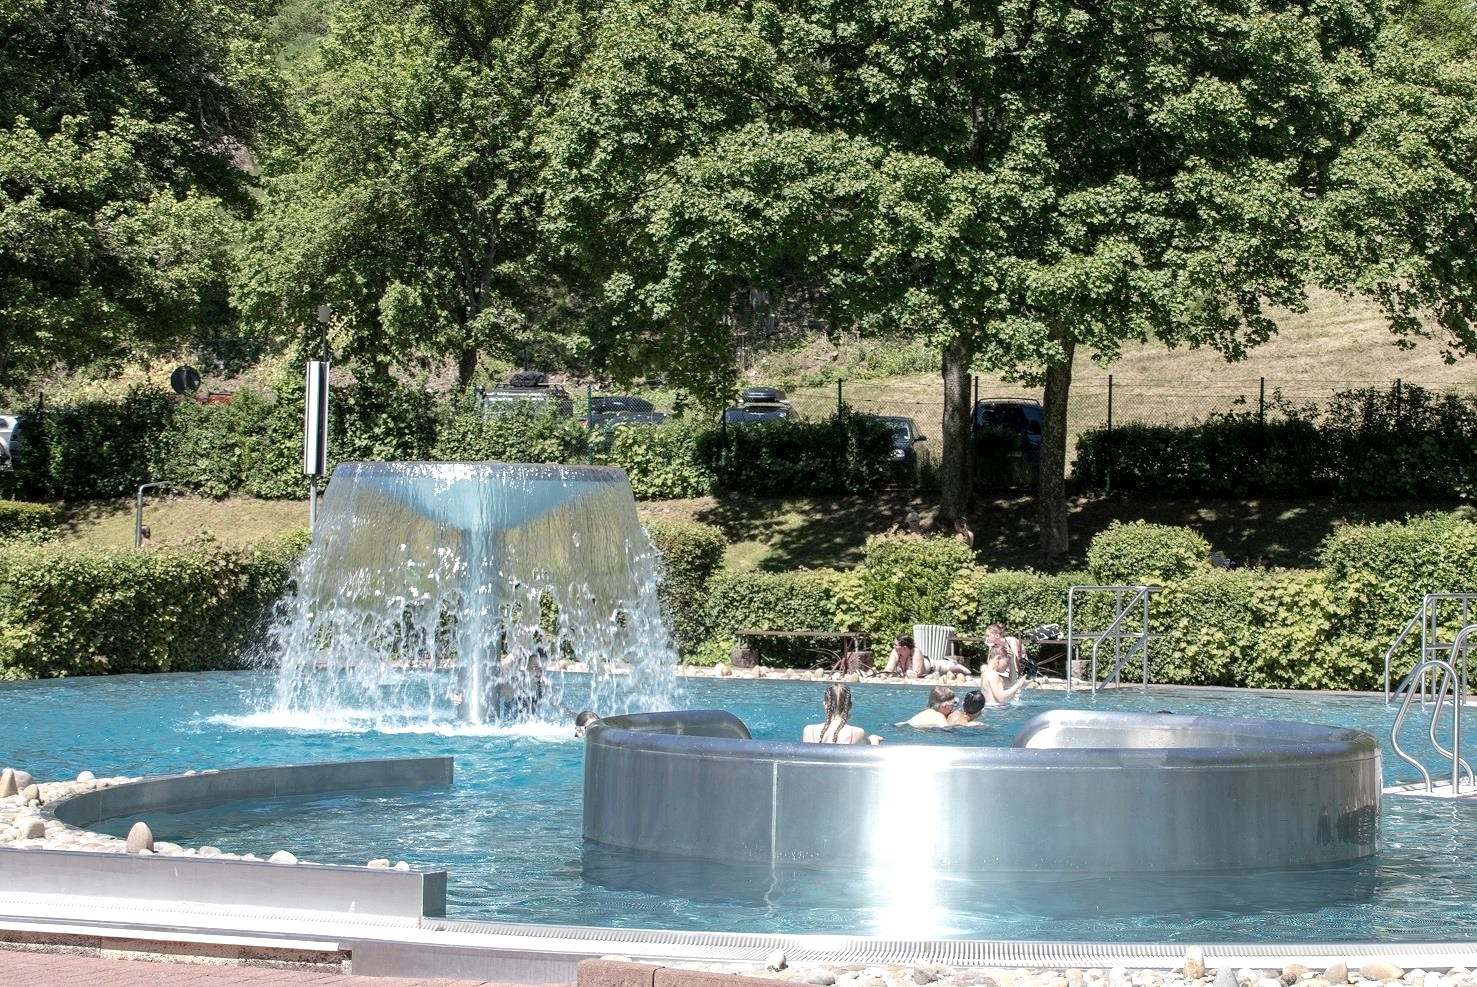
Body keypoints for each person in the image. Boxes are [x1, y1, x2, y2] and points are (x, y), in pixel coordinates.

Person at [802, 683, 882, 744]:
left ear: (825, 705)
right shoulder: (857, 733)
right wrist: (874, 739)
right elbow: (872, 754)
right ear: (850, 706)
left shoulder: (809, 731)